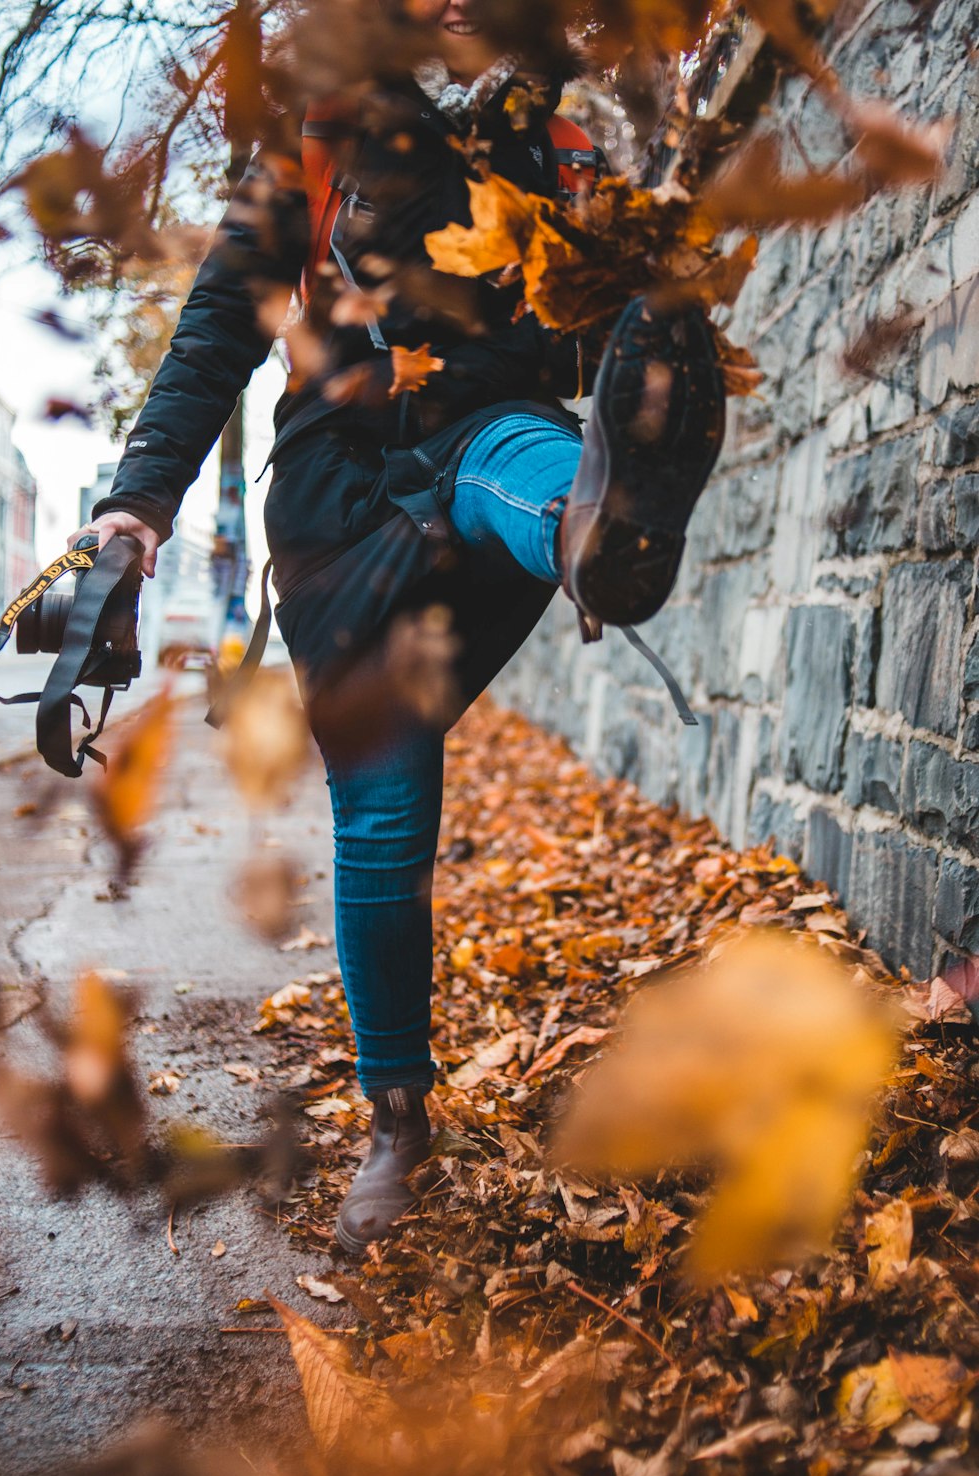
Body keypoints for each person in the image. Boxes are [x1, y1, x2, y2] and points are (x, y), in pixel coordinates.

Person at [72, 0, 725, 1254]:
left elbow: (608, 320)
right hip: (338, 491)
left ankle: (597, 536)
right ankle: (396, 1118)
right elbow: (218, 326)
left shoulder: (562, 126)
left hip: (497, 441)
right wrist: (136, 508)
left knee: (527, 466)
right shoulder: (320, 133)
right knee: (382, 813)